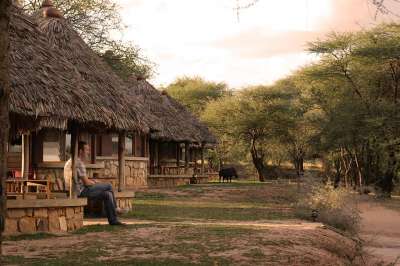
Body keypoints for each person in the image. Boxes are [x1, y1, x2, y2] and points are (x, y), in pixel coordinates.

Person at [64, 141, 125, 225]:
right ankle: (116, 208)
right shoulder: (78, 163)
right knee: (108, 185)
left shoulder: (71, 161)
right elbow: (86, 183)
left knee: (107, 194)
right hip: (80, 192)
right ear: (81, 151)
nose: (88, 152)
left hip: (74, 191)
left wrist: (93, 181)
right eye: (87, 150)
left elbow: (83, 180)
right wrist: (95, 183)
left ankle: (113, 221)